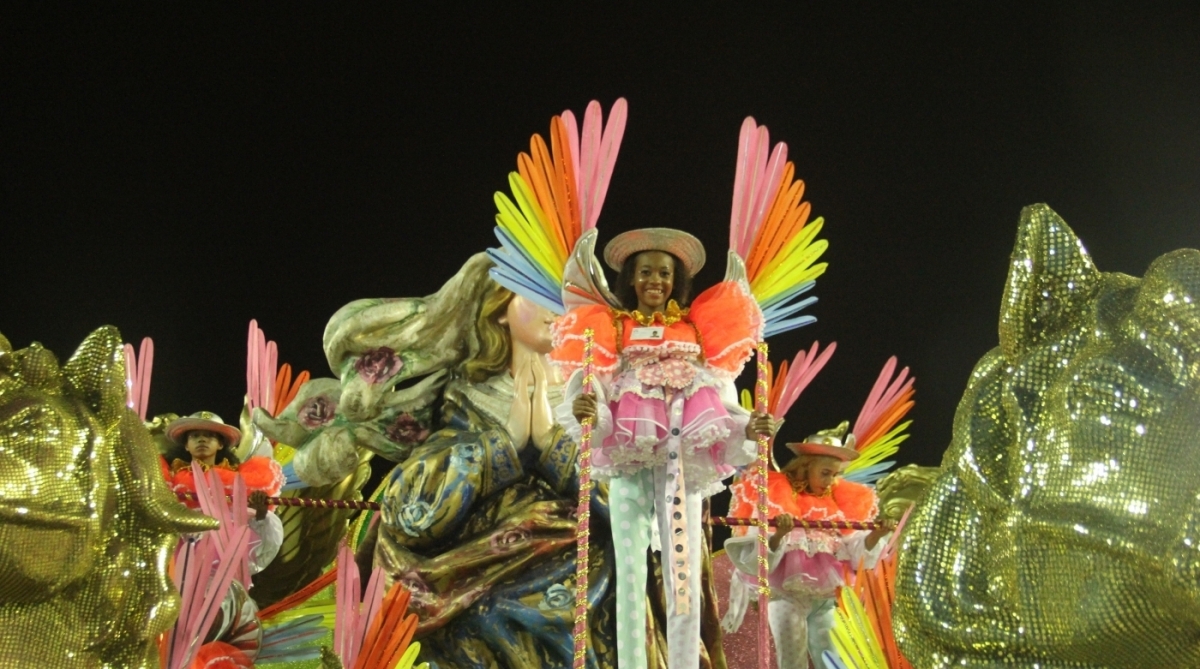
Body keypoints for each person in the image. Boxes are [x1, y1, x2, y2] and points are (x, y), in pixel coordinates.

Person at [560, 228, 776, 669]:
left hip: (684, 464)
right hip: (629, 462)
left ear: (674, 280)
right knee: (631, 572)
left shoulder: (696, 331)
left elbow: (722, 397)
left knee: (685, 577)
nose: (654, 281)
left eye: (663, 272)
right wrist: (586, 409)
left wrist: (750, 429)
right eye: (645, 272)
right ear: (631, 279)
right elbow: (590, 385)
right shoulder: (612, 329)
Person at [722, 423, 896, 669]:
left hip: (824, 597)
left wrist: (876, 535)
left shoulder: (838, 502)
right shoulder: (776, 496)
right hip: (785, 594)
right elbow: (759, 557)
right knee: (792, 661)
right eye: (825, 473)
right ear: (805, 467)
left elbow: (855, 551)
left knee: (833, 657)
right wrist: (779, 535)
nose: (831, 481)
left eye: (835, 475)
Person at [164, 411, 285, 575]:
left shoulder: (238, 481)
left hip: (223, 561)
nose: (202, 439)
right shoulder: (170, 478)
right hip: (178, 559)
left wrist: (260, 512)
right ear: (186, 445)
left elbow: (252, 528)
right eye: (195, 436)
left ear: (220, 444)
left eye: (209, 436)